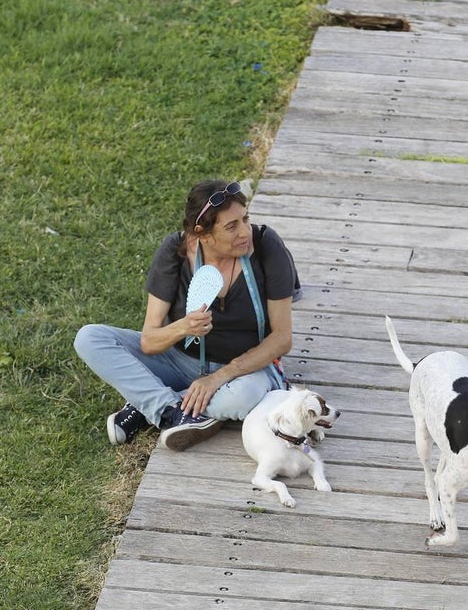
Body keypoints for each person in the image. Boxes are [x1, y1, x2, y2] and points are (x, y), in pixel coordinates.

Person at [74, 179, 301, 451]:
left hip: (244, 370)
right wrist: (182, 327)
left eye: (245, 218)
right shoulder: (176, 250)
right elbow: (149, 341)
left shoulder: (265, 246)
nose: (245, 232)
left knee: (242, 397)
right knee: (90, 337)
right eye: (231, 226)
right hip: (179, 361)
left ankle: (149, 403)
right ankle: (171, 412)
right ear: (202, 234)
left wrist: (219, 376)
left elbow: (282, 339)